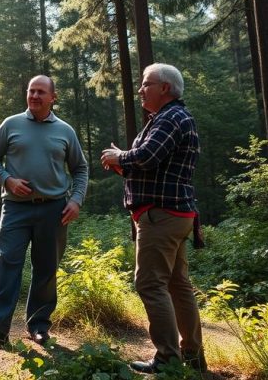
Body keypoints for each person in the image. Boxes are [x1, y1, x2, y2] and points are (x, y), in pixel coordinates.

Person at [0, 75, 88, 346]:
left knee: (45, 269)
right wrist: (7, 179)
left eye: (41, 92)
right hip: (15, 209)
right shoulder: (11, 124)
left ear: (53, 98)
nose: (34, 96)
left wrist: (76, 199)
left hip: (54, 210)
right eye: (31, 91)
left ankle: (39, 326)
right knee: (8, 261)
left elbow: (80, 168)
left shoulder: (65, 131)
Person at [100, 63, 206, 374]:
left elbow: (146, 157)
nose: (141, 89)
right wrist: (124, 161)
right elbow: (151, 165)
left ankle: (168, 359)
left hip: (162, 215)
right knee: (177, 285)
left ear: (165, 88)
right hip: (173, 213)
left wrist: (120, 157)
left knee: (149, 283)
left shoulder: (170, 117)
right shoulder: (167, 119)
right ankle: (192, 358)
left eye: (147, 84)